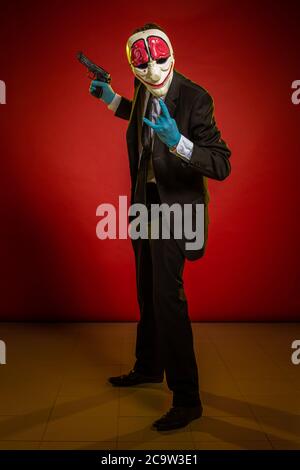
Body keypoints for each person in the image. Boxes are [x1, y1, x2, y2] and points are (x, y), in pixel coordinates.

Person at [89, 22, 231, 431]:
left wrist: (178, 141)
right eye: (143, 64)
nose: (153, 71)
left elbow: (221, 163)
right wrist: (111, 98)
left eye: (159, 60)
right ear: (134, 66)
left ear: (172, 53)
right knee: (146, 289)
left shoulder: (195, 97)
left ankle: (188, 400)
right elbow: (138, 120)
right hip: (144, 204)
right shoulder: (141, 89)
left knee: (168, 297)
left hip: (178, 209)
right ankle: (149, 366)